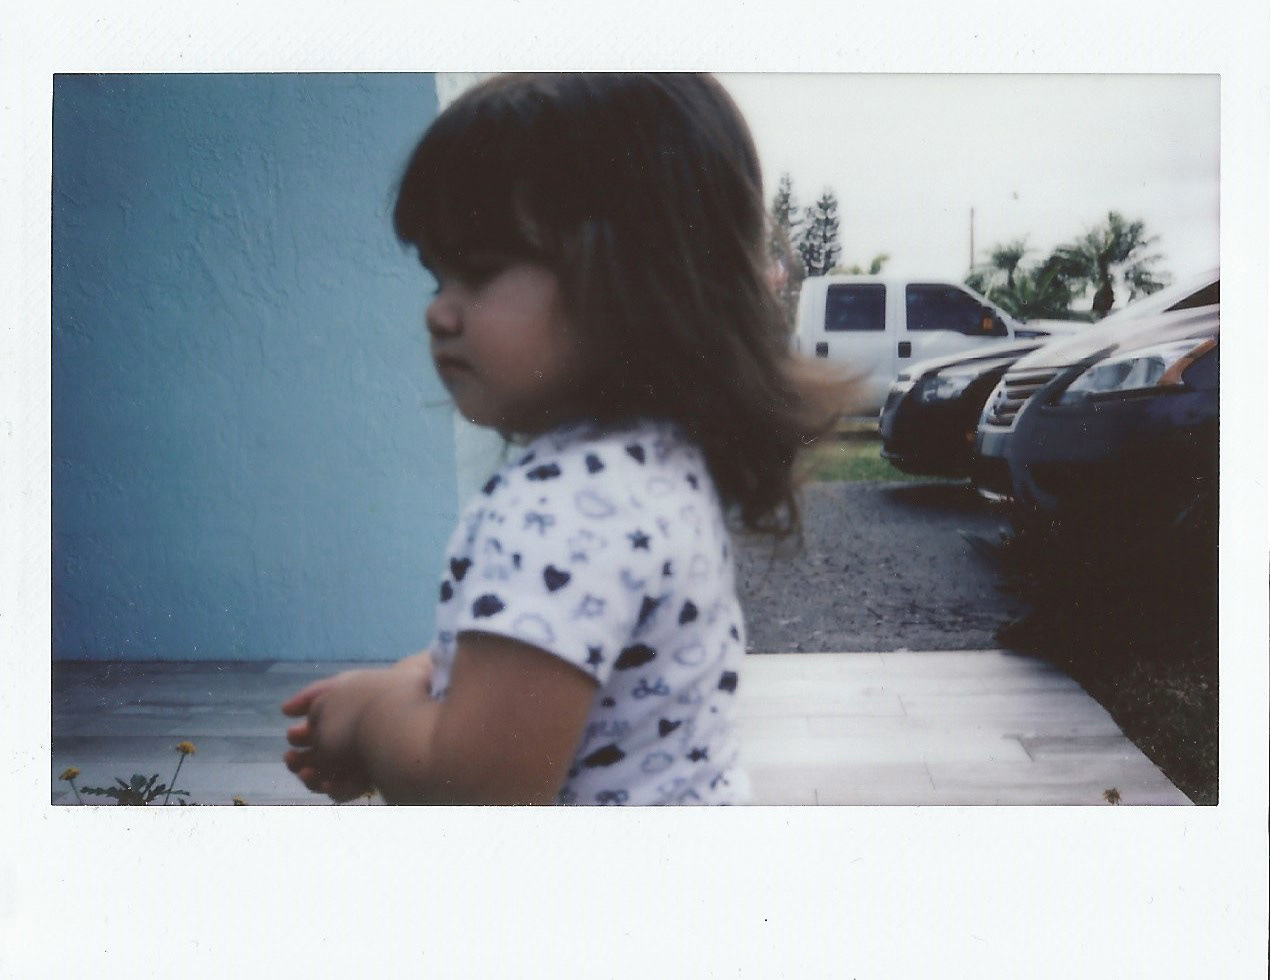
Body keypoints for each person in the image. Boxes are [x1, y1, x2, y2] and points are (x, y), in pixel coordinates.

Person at [282, 73, 852, 805]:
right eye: (437, 279)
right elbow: (565, 646)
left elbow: (480, 792)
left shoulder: (562, 507)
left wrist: (370, 720)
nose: (438, 314)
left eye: (478, 273)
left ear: (635, 278)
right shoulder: (653, 462)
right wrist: (418, 680)